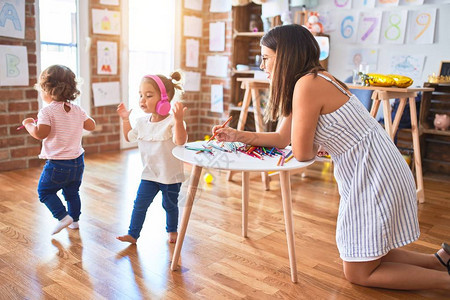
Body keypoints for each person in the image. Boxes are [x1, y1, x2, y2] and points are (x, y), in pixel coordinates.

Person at [212, 24, 450, 290]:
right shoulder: (312, 79)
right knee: (367, 252)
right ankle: (439, 262)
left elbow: (301, 152)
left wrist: (316, 145)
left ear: (286, 56)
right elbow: (281, 138)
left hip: (373, 172)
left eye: (266, 57)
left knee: (359, 273)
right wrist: (236, 135)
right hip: (374, 167)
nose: (262, 65)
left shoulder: (307, 84)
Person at [22, 65, 96, 235]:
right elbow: (91, 125)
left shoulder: (47, 111)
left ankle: (63, 217)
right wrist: (80, 117)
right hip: (78, 162)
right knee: (72, 192)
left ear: (48, 90)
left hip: (57, 164)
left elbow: (40, 134)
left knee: (44, 191)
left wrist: (29, 125)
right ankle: (75, 221)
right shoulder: (78, 110)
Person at [116, 71, 187, 244]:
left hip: (170, 176)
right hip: (149, 174)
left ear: (165, 99)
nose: (142, 99)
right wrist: (126, 119)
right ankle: (133, 235)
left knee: (169, 205)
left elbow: (180, 140)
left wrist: (178, 121)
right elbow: (128, 137)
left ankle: (172, 230)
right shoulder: (141, 122)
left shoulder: (172, 122)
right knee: (139, 204)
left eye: (148, 95)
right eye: (140, 95)